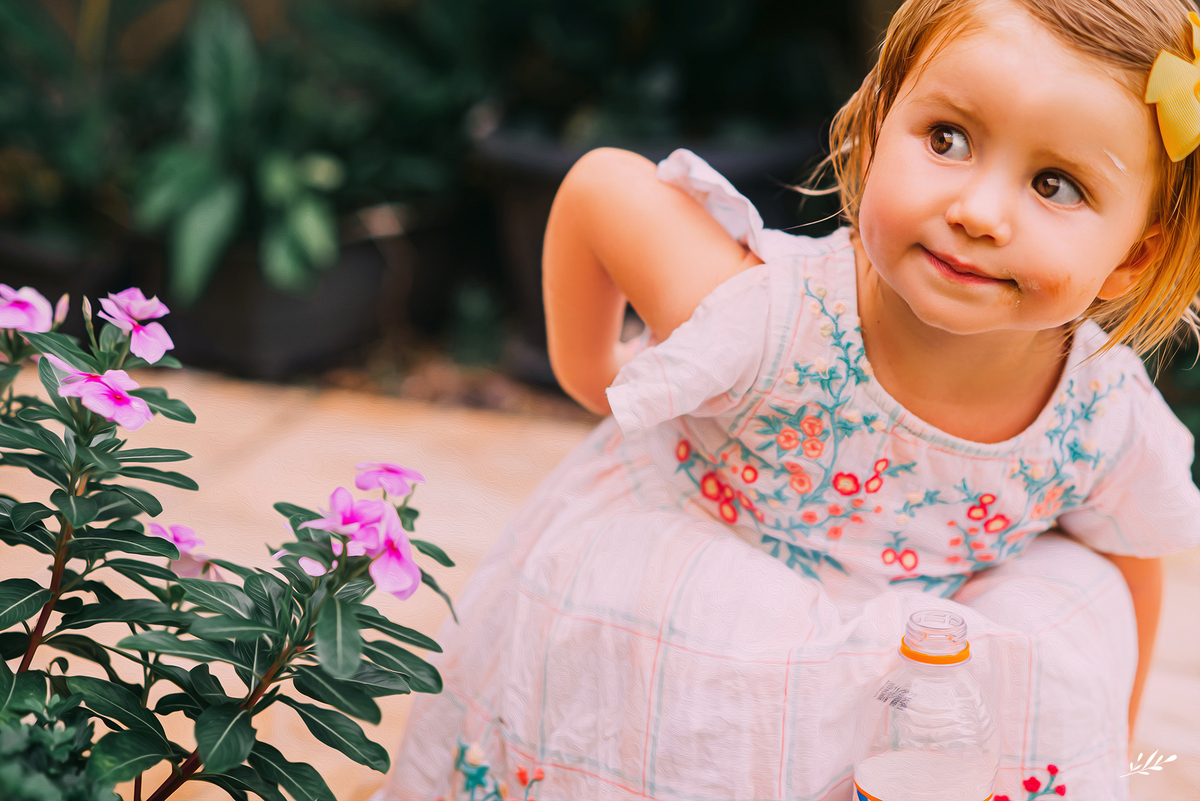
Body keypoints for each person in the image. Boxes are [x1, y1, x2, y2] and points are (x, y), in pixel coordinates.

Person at [376, 1, 1200, 798]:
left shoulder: (1096, 412)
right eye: (947, 139)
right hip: (698, 659)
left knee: (1071, 601)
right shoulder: (767, 318)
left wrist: (1110, 752)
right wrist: (591, 375)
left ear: (1132, 257)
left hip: (912, 683)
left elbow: (1132, 566)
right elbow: (601, 188)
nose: (978, 212)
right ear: (877, 127)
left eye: (1056, 185)